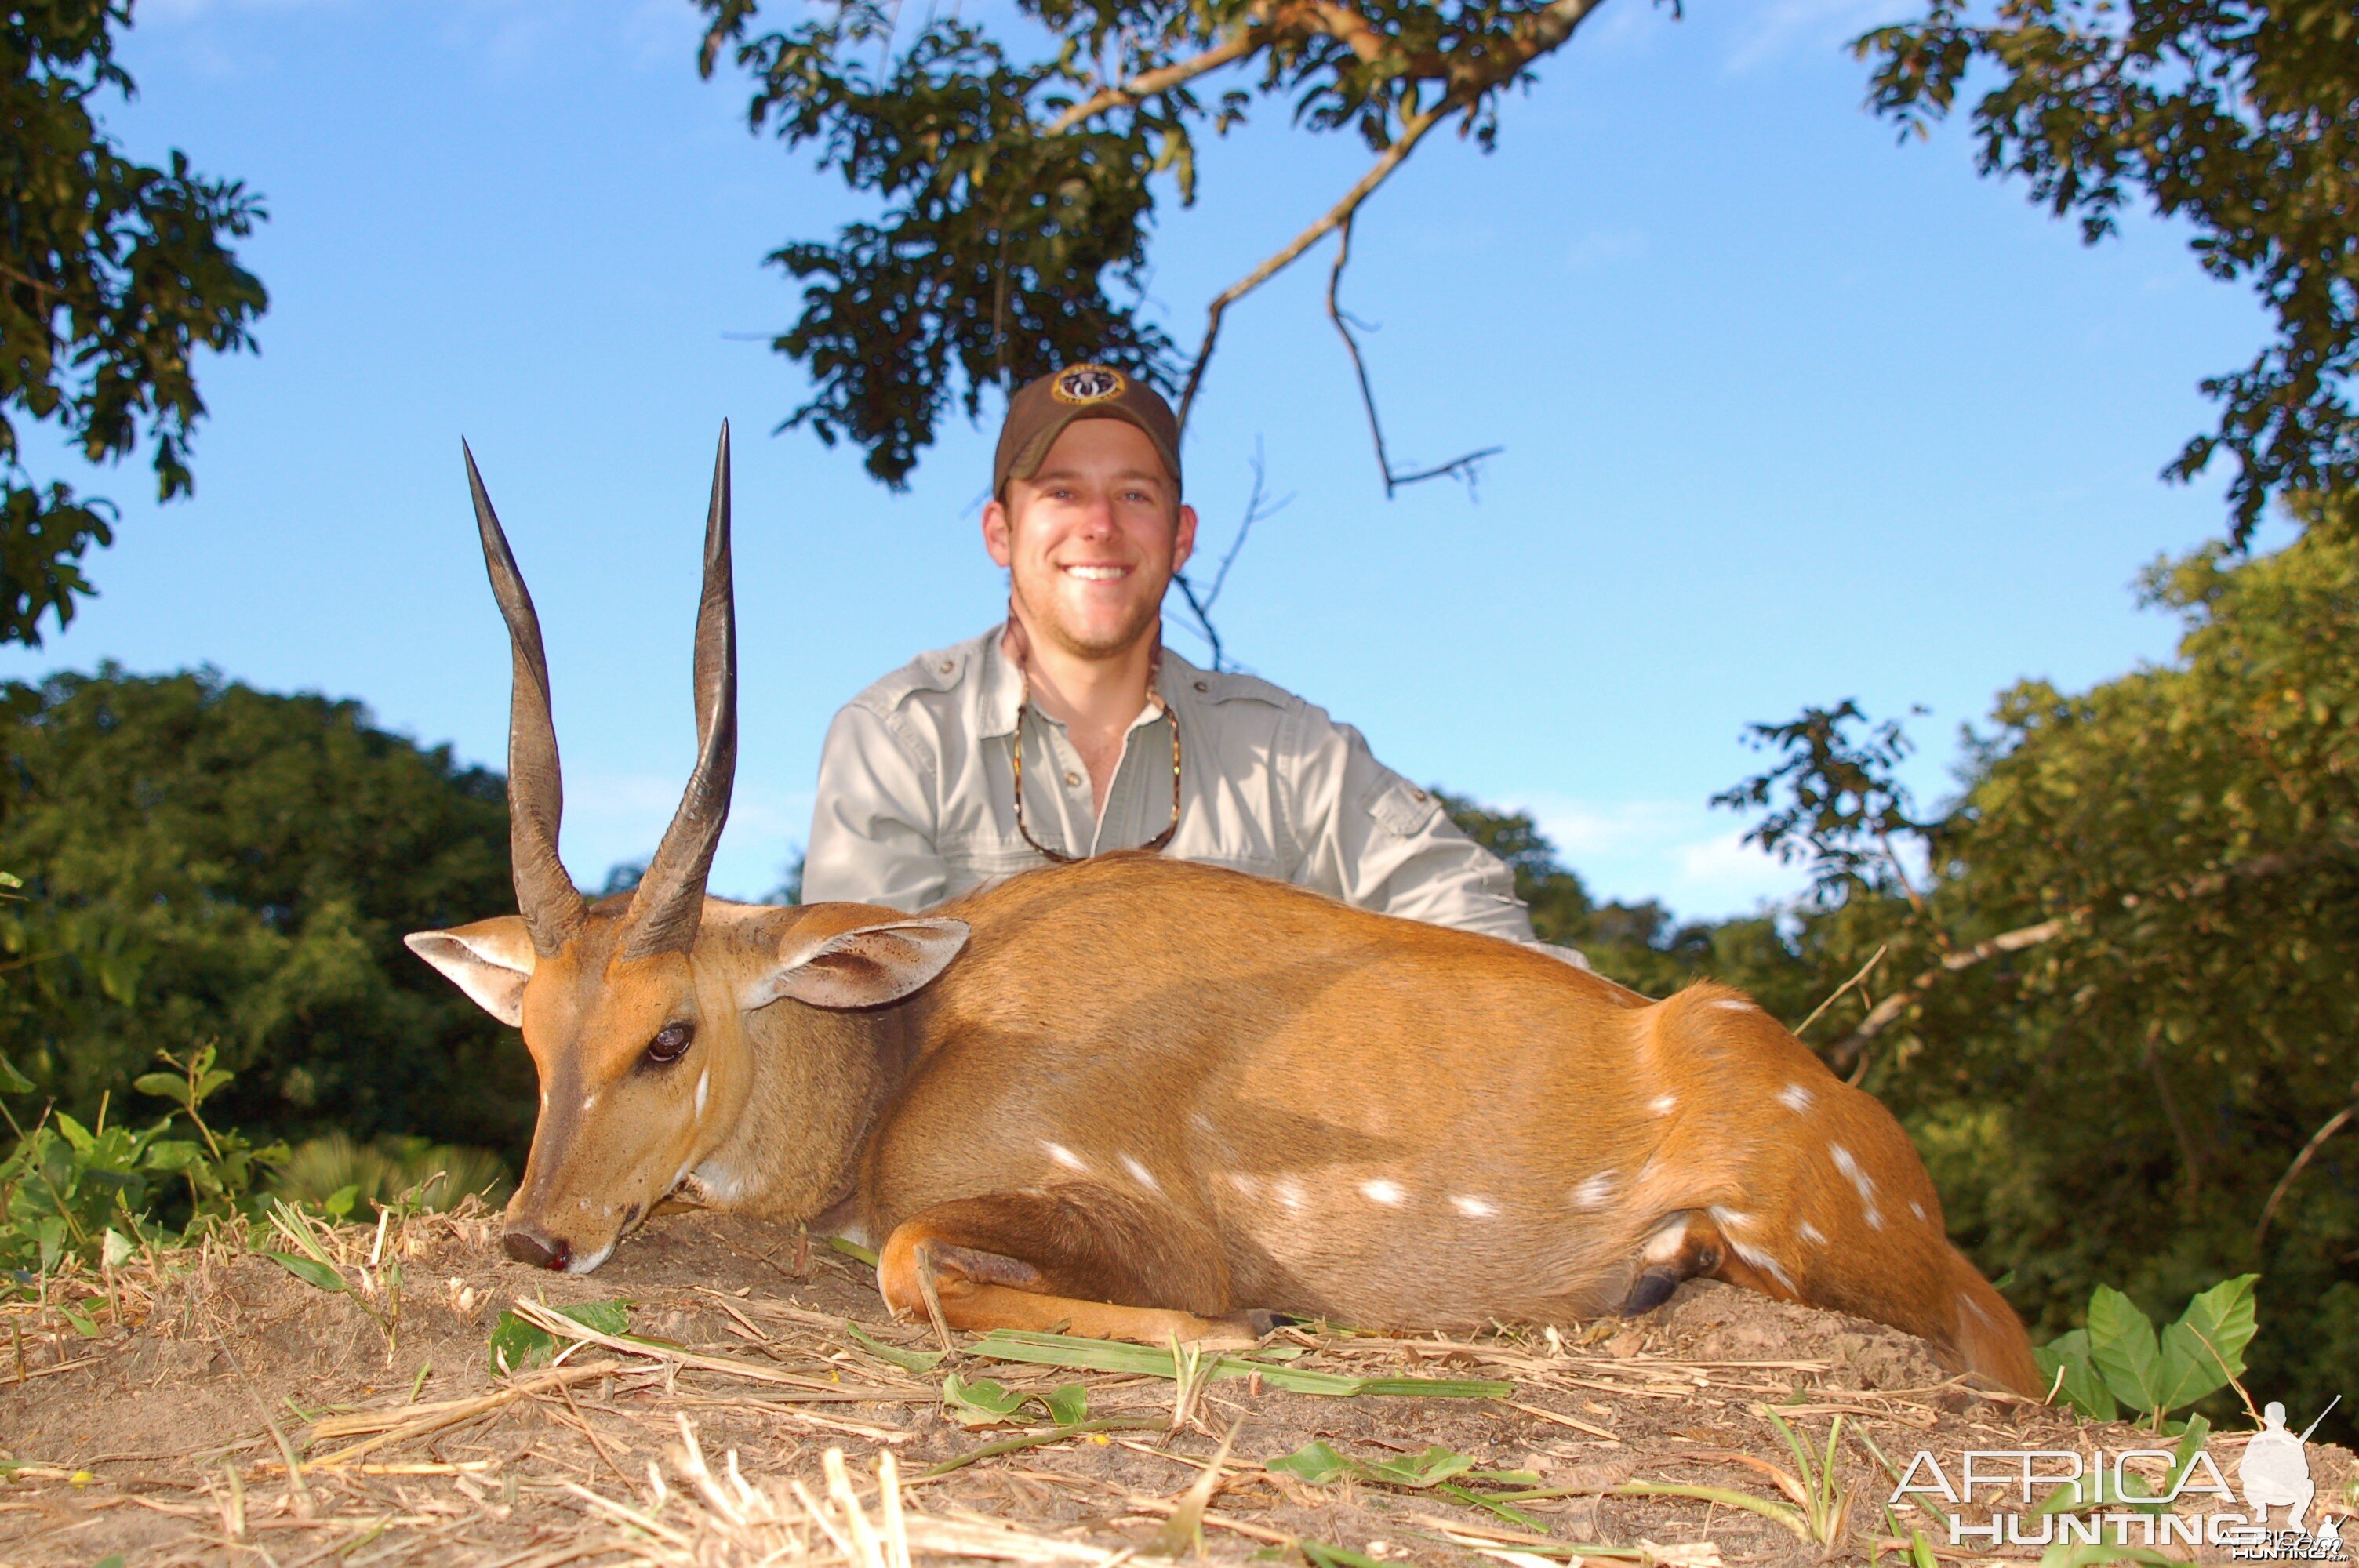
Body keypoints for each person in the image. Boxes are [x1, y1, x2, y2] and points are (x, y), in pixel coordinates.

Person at [804, 362, 1569, 957]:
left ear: (1180, 536)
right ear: (999, 532)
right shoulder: (896, 741)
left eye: (1134, 495)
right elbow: (852, 1039)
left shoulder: (1290, 751)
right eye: (1062, 493)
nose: (1099, 526)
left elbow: (1477, 930)